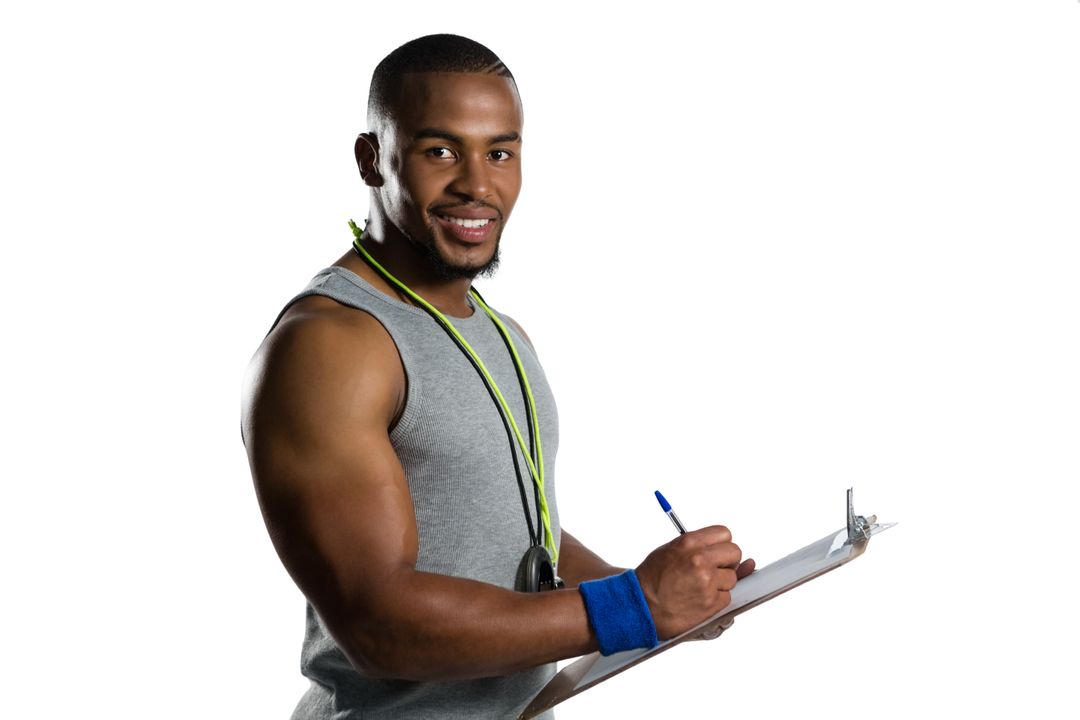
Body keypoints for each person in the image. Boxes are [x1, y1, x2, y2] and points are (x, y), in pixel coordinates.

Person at [241, 34, 755, 719]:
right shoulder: (331, 347)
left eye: (500, 152)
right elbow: (377, 624)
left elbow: (517, 537)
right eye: (439, 151)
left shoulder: (500, 334)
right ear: (371, 160)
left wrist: (668, 597)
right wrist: (632, 607)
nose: (478, 185)